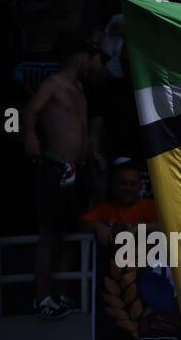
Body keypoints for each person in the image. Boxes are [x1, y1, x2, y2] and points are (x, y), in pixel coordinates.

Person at [22, 37, 105, 318]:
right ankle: (42, 297)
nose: (92, 63)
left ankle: (62, 292)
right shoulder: (52, 85)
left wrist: (93, 153)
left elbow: (80, 127)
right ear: (78, 57)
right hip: (55, 166)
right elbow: (30, 110)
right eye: (89, 57)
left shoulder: (79, 88)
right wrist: (31, 137)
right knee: (50, 231)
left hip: (77, 168)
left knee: (74, 229)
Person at [80, 159, 158, 250]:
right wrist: (97, 226)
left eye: (132, 184)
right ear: (113, 186)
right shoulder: (106, 208)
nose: (127, 188)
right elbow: (82, 222)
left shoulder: (149, 206)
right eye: (123, 183)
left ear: (140, 186)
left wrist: (137, 229)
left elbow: (166, 225)